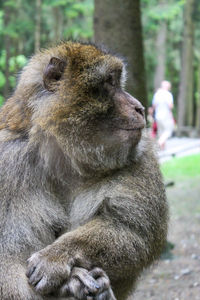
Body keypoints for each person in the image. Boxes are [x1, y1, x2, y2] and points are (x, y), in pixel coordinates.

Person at [152, 80, 174, 150]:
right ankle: (159, 143)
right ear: (168, 87)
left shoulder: (157, 94)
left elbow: (154, 106)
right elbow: (170, 106)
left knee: (161, 132)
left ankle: (162, 149)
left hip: (158, 115)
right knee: (168, 131)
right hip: (166, 115)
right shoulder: (168, 94)